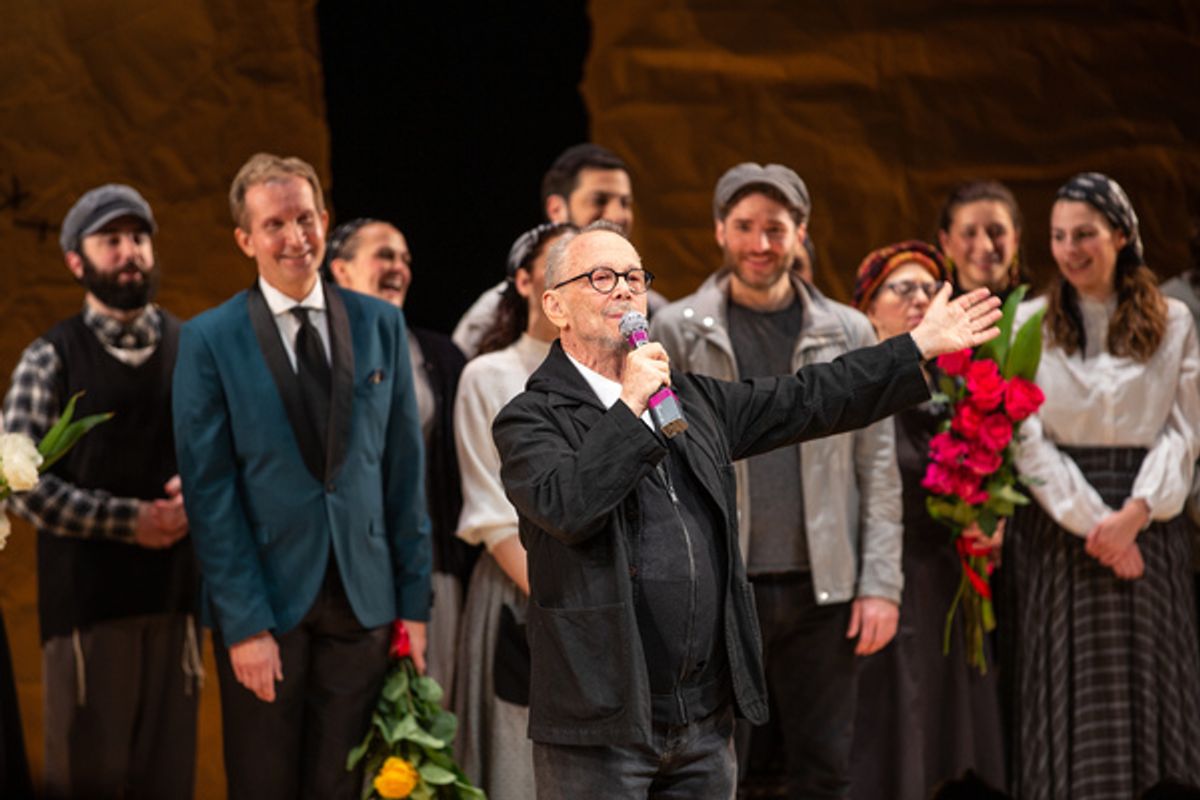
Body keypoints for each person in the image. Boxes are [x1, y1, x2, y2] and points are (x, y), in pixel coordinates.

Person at [492, 221, 1001, 798]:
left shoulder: (691, 400)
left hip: (702, 723)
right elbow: (568, 506)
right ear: (554, 305)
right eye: (602, 278)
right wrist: (631, 404)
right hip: (602, 718)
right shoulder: (531, 417)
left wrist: (915, 348)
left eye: (635, 277)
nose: (626, 291)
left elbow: (809, 396)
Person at [172, 153, 431, 799]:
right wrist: (244, 625)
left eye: (307, 218)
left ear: (324, 219)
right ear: (246, 239)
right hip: (265, 606)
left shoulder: (381, 324)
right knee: (263, 784)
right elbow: (210, 493)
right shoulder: (208, 339)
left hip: (365, 603)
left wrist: (413, 606)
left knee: (343, 787)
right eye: (275, 224)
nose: (296, 237)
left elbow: (404, 474)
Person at [652, 162, 902, 798]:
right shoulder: (677, 330)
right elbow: (661, 467)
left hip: (826, 590)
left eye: (775, 228)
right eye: (744, 227)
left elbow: (876, 465)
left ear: (801, 232)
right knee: (718, 766)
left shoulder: (847, 329)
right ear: (718, 231)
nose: (759, 244)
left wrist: (880, 585)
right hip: (721, 589)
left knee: (824, 766)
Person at [1005, 172, 1200, 797]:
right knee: (1070, 687)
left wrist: (1135, 514)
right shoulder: (1029, 321)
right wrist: (1096, 524)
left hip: (1149, 520)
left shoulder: (1174, 319)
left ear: (1121, 234)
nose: (1070, 249)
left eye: (1084, 234)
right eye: (1059, 236)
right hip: (1062, 525)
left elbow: (1184, 431)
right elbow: (1027, 437)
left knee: (1155, 680)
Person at [2, 184, 199, 799]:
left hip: (176, 608)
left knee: (169, 780)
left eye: (138, 237)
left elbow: (231, 452)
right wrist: (129, 521)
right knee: (91, 779)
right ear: (76, 261)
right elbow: (17, 481)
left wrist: (199, 494)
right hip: (89, 614)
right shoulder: (50, 357)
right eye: (110, 240)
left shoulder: (192, 347)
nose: (130, 251)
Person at [847, 241, 1005, 800]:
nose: (918, 299)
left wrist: (990, 517)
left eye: (929, 289)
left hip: (947, 576)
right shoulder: (854, 386)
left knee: (949, 727)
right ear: (867, 308)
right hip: (883, 576)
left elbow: (993, 471)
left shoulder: (960, 386)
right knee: (892, 727)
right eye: (901, 288)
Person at [452, 222, 573, 798]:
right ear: (524, 282)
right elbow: (493, 515)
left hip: (608, 603)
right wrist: (573, 598)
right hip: (523, 593)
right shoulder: (489, 375)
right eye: (557, 265)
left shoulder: (624, 375)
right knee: (519, 771)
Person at [325, 218, 471, 695]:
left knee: (429, 712)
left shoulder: (441, 356)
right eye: (385, 255)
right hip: (344, 571)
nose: (399, 268)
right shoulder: (316, 353)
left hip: (427, 567)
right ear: (340, 270)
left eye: (406, 259)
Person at [452, 143, 664, 357]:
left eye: (625, 203)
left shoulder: (652, 308)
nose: (618, 215)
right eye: (599, 200)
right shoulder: (493, 314)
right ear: (556, 209)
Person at [936, 180, 1028, 299]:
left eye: (996, 232)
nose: (986, 247)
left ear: (1015, 239)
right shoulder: (929, 313)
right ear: (946, 243)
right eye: (969, 233)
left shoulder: (1045, 310)